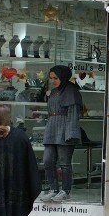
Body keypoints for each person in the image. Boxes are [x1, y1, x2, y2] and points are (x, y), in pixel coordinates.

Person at [38, 65, 83, 203]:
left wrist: (70, 133)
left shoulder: (71, 91)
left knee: (64, 163)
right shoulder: (53, 92)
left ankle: (65, 191)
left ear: (63, 77)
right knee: (47, 161)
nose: (53, 81)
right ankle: (53, 189)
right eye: (51, 78)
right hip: (52, 128)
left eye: (55, 78)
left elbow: (73, 115)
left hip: (65, 129)